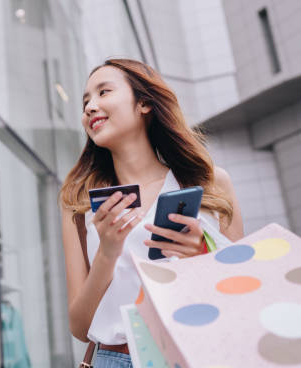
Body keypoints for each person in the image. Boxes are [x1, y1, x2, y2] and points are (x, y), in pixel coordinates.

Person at [58, 58, 244, 368]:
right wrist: (107, 254)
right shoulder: (78, 204)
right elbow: (79, 327)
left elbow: (239, 291)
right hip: (116, 358)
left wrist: (199, 255)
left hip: (200, 354)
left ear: (144, 103)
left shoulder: (210, 184)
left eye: (103, 92)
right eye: (85, 101)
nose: (90, 107)